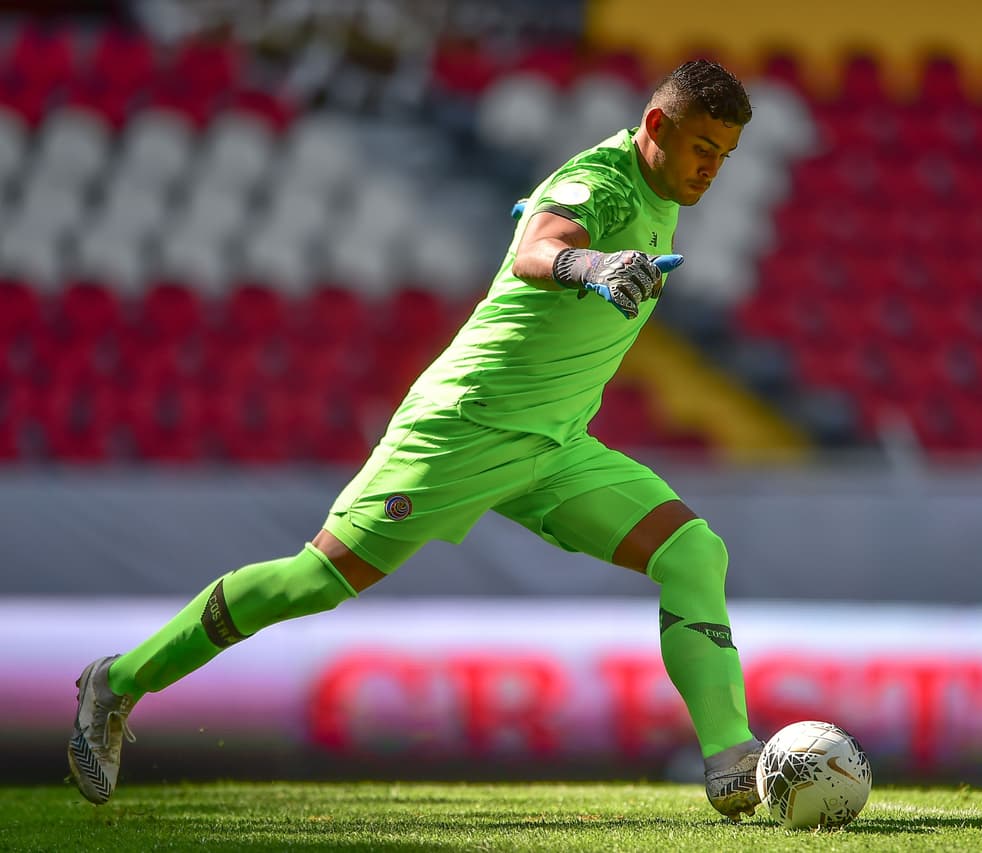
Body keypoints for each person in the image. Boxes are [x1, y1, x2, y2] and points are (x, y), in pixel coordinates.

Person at [69, 59, 763, 820]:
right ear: (657, 126)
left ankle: (733, 757)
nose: (712, 168)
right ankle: (118, 681)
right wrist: (587, 261)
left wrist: (563, 233)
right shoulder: (602, 180)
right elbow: (542, 247)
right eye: (703, 146)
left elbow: (542, 217)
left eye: (724, 155)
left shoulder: (656, 184)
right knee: (316, 580)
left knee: (692, 550)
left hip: (555, 444)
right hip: (462, 427)